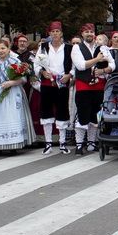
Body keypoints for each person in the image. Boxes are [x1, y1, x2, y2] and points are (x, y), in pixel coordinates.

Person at [0, 40, 30, 154]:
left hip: (11, 92)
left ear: (8, 49)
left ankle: (12, 145)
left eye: (3, 48)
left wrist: (11, 83)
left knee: (11, 117)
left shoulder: (15, 61)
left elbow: (23, 79)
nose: (0, 51)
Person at [72, 24, 112, 154]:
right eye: (86, 32)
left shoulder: (102, 47)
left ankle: (91, 143)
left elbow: (113, 64)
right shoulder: (77, 48)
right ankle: (79, 144)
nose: (89, 34)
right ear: (82, 34)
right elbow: (81, 66)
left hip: (99, 86)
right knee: (83, 115)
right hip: (83, 86)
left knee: (95, 116)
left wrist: (104, 70)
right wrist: (97, 59)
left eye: (91, 31)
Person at [35, 21, 73, 155]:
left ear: (61, 33)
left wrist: (69, 75)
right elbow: (37, 63)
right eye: (53, 32)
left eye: (57, 31)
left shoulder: (69, 48)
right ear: (49, 33)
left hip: (62, 83)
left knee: (62, 112)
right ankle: (48, 143)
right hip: (47, 83)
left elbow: (74, 66)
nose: (55, 34)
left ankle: (62, 143)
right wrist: (41, 71)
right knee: (46, 112)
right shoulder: (44, 47)